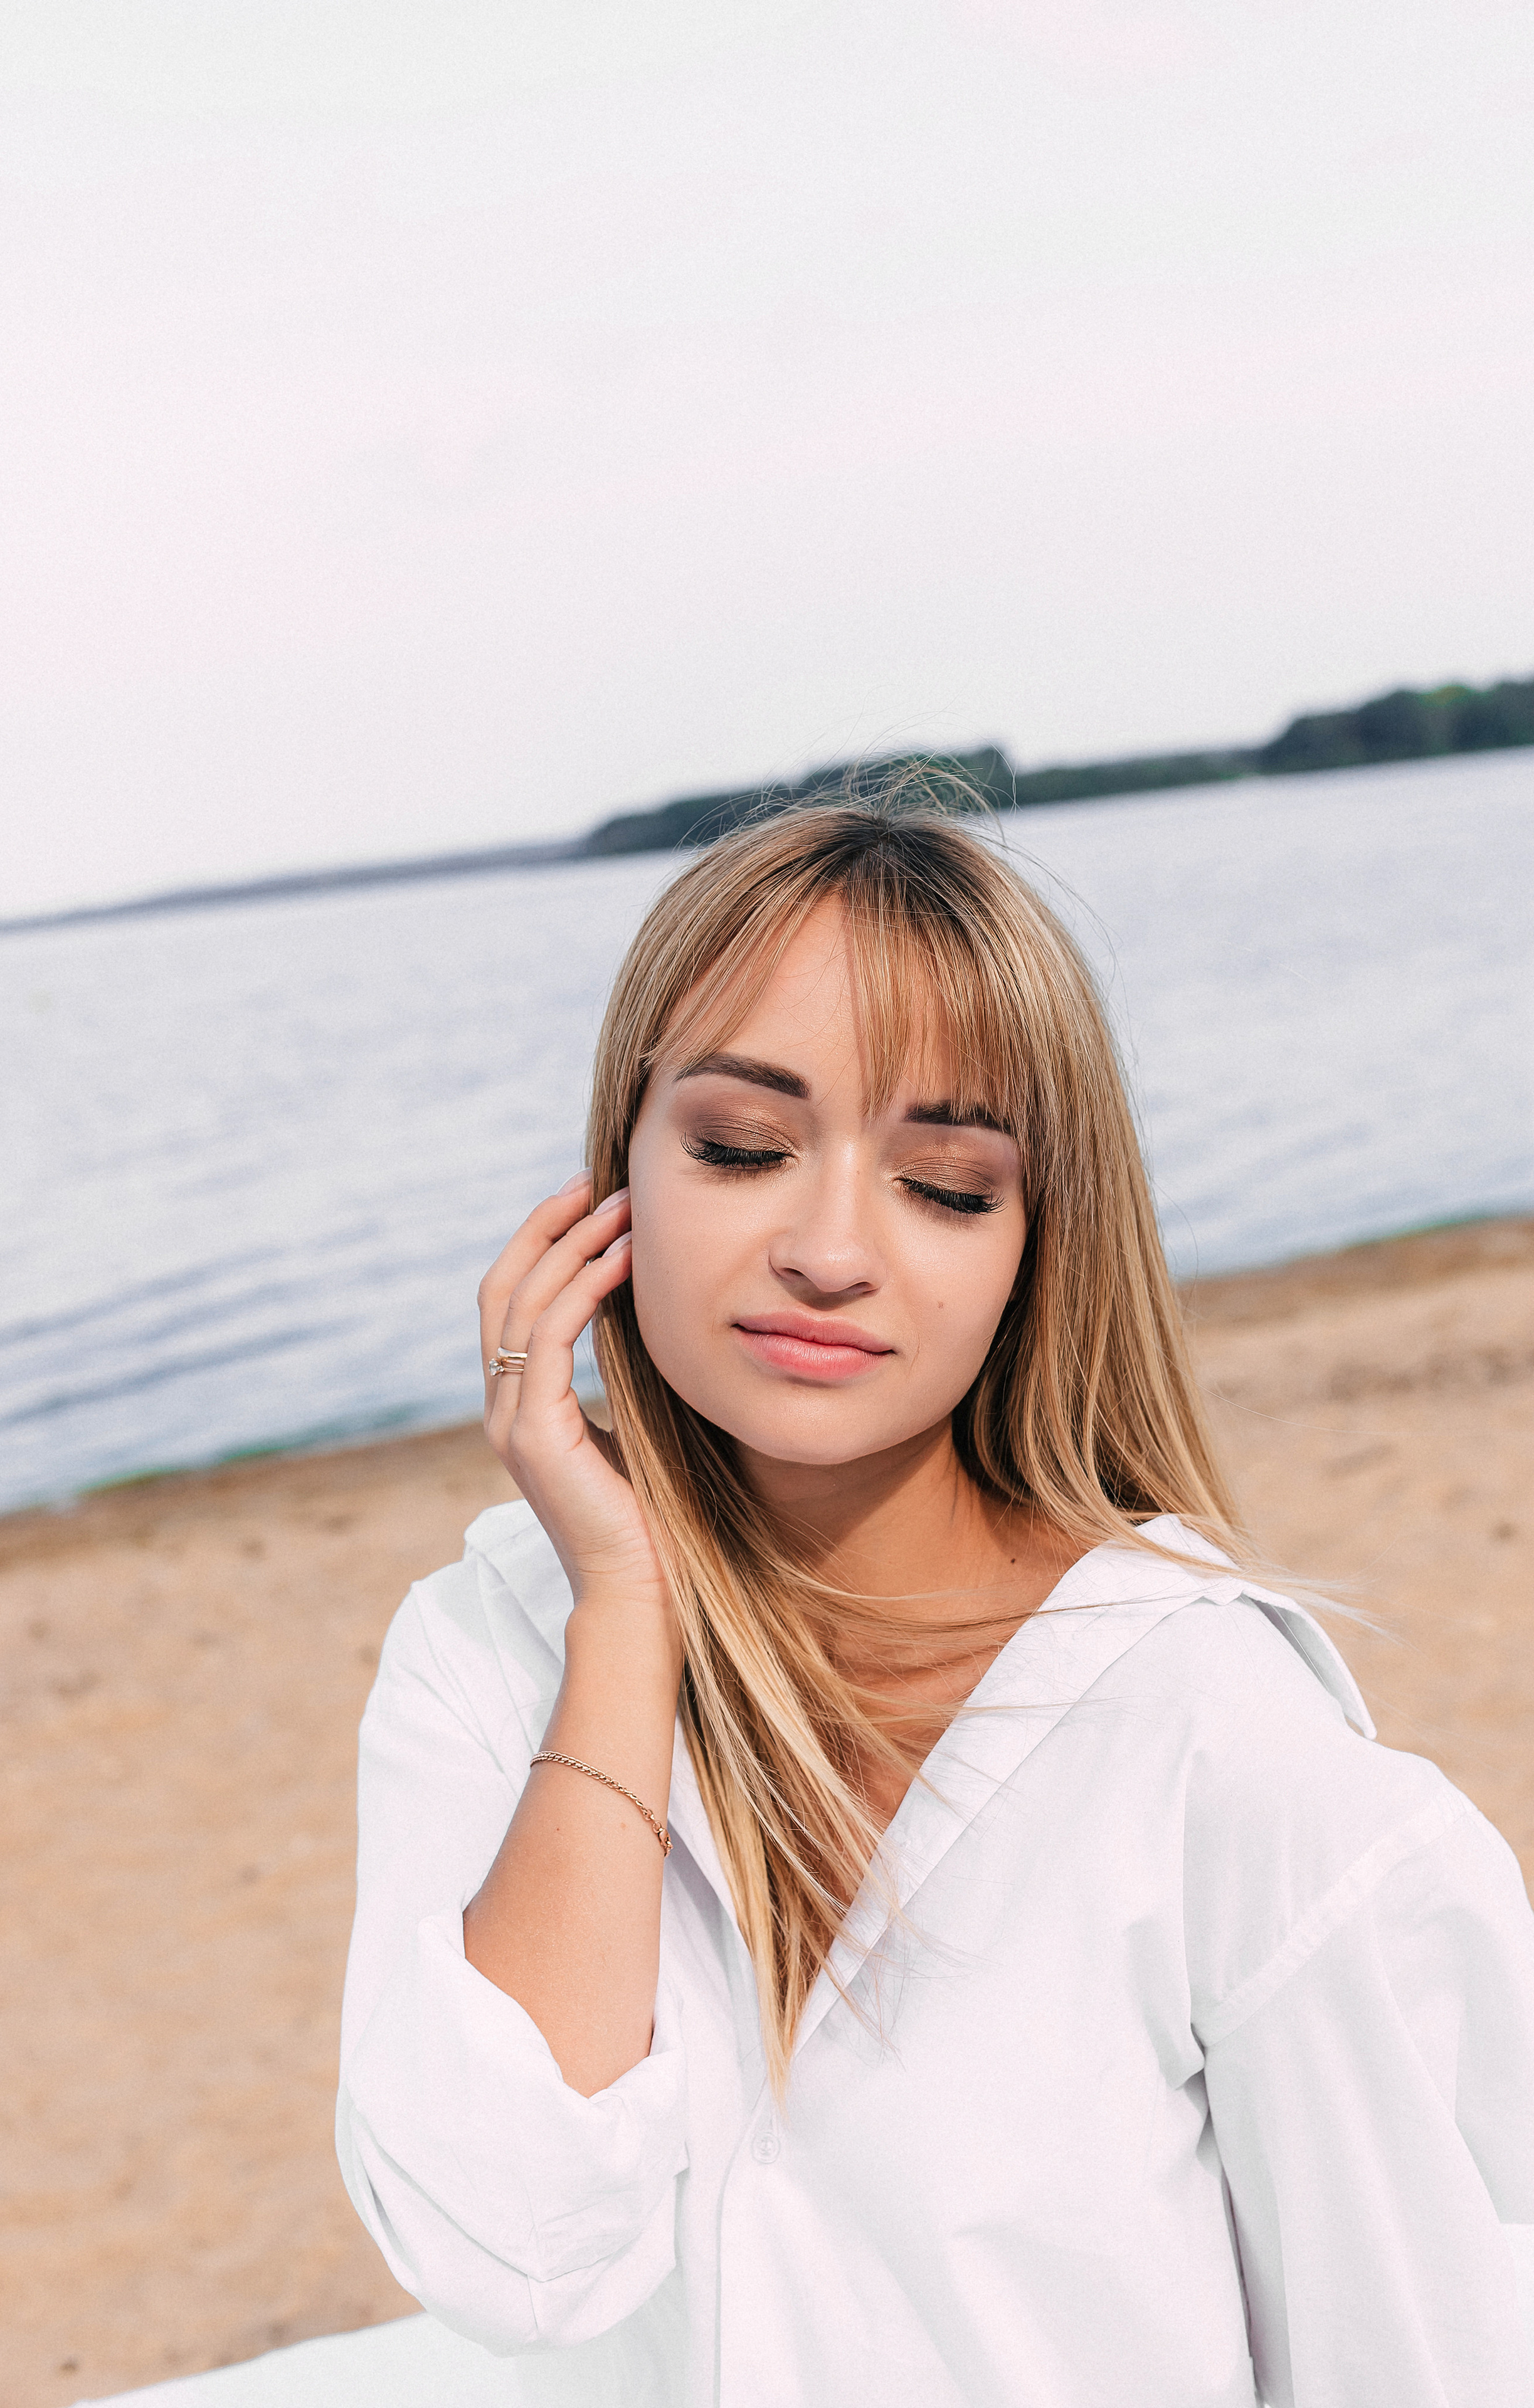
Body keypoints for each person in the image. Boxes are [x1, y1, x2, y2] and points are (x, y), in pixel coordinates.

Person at [337, 798, 1534, 2406]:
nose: (829, 1250)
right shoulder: (489, 1651)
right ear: (614, 1178)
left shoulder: (1219, 1747)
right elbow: (507, 2255)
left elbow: (1415, 2356)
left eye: (947, 1186)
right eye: (741, 1148)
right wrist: (621, 1606)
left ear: (1036, 1247)